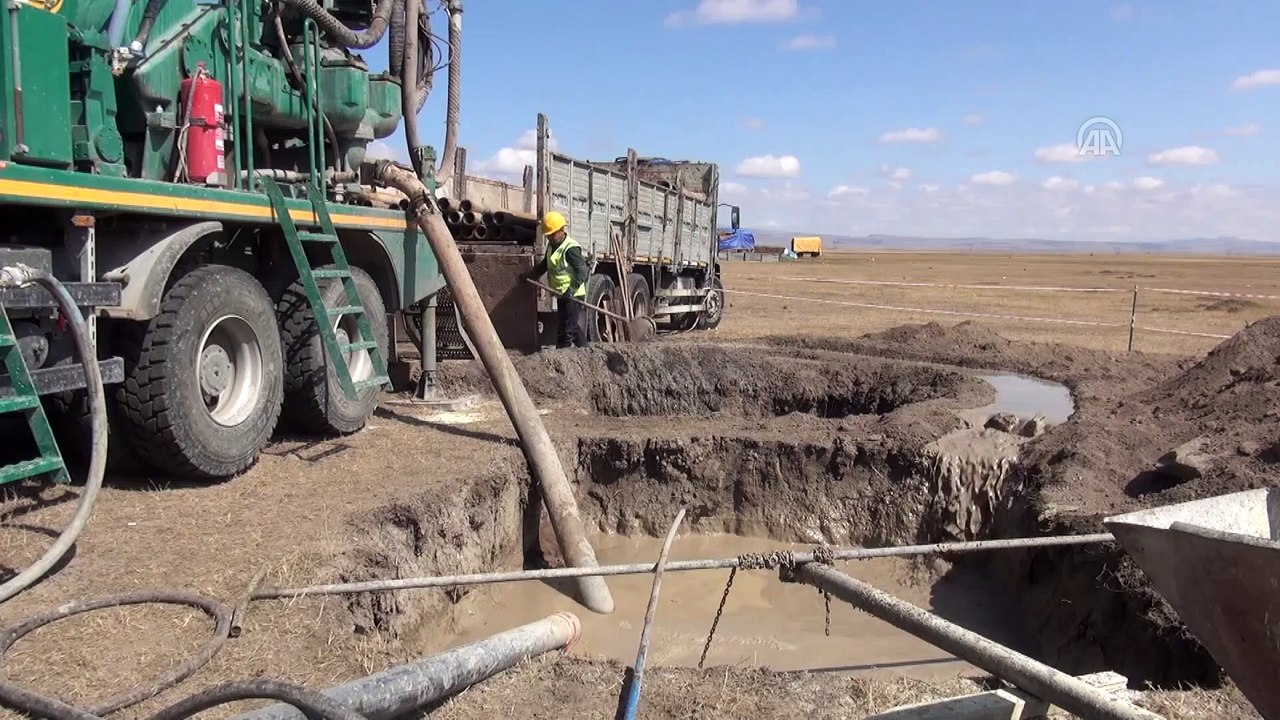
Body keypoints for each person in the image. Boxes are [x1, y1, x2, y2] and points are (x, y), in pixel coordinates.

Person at [521, 210, 590, 348]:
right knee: (569, 325)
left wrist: (571, 289)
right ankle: (586, 351)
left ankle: (562, 356)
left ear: (562, 230)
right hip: (561, 293)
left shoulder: (571, 248)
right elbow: (545, 265)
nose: (550, 238)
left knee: (568, 329)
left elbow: (583, 271)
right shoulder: (552, 247)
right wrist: (530, 276)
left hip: (573, 293)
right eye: (548, 236)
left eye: (552, 234)